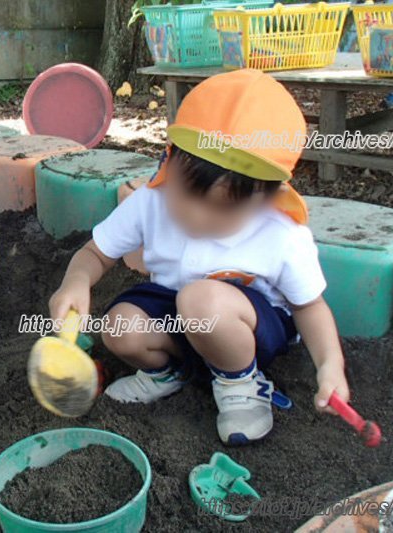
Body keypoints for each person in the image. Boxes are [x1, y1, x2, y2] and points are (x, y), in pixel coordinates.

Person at [49, 69, 350, 445]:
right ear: (169, 163)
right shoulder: (152, 202)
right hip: (179, 314)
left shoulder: (280, 233)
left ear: (266, 200)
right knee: (119, 328)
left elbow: (309, 306)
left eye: (223, 210)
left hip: (249, 331)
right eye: (186, 194)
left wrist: (330, 364)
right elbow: (95, 252)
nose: (196, 215)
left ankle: (240, 383)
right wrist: (75, 281)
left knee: (201, 298)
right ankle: (169, 372)